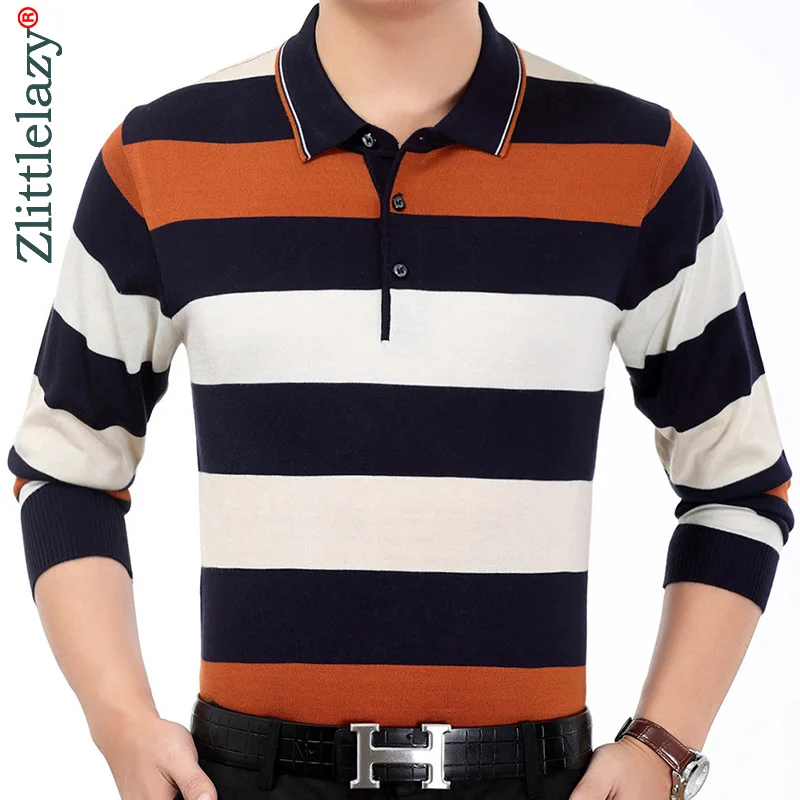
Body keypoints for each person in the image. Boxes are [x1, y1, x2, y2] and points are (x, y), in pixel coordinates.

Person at [7, 1, 793, 799]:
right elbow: (65, 468)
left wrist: (664, 747)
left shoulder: (641, 163)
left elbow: (740, 484)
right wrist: (119, 721)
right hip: (246, 780)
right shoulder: (159, 159)